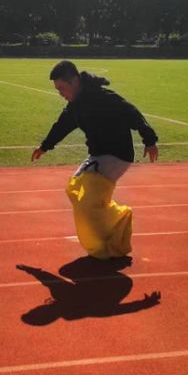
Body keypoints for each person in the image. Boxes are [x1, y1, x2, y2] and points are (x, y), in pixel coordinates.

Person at [31, 61, 159, 259]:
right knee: (74, 189)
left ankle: (117, 224)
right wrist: (45, 146)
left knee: (89, 202)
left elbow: (132, 113)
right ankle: (111, 225)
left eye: (62, 88)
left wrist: (149, 140)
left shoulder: (103, 97)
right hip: (98, 155)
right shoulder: (75, 106)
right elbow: (62, 126)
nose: (60, 94)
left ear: (74, 81)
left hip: (117, 155)